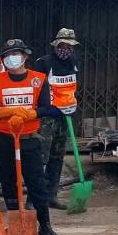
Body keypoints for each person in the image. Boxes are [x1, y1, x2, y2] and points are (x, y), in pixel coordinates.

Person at [0, 38, 61, 235]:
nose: (11, 58)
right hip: (4, 139)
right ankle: (17, 223)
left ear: (25, 56)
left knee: (37, 183)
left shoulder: (39, 79)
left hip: (29, 139)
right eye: (7, 55)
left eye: (15, 54)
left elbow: (47, 108)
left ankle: (45, 225)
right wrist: (5, 112)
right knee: (7, 181)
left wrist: (30, 114)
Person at [32, 28, 80, 209]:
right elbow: (36, 89)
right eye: (62, 46)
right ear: (55, 45)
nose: (65, 50)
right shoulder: (43, 63)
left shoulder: (73, 61)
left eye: (69, 46)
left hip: (64, 115)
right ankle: (35, 198)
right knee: (41, 156)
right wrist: (46, 108)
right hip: (47, 117)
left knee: (57, 156)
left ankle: (52, 195)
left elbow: (72, 87)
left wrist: (71, 105)